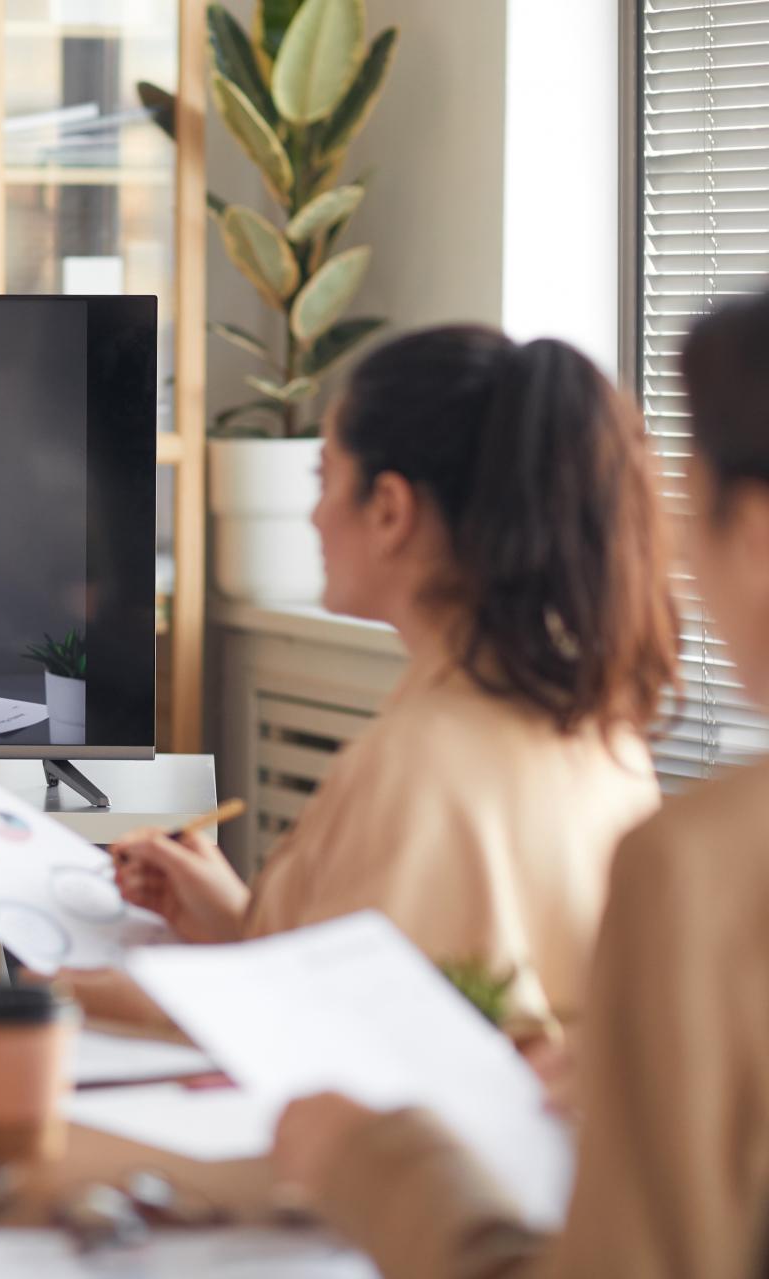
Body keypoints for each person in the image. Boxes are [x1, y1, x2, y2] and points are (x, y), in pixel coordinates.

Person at [272, 294, 769, 1279]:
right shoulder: (608, 735)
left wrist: (373, 1164)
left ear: (752, 533)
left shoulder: (709, 866)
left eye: (691, 498)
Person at [93, 327, 677, 1029]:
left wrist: (69, 989)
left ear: (391, 510)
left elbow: (329, 1039)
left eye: (324, 478)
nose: (312, 514)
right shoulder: (603, 732)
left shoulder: (421, 762)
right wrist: (240, 919)